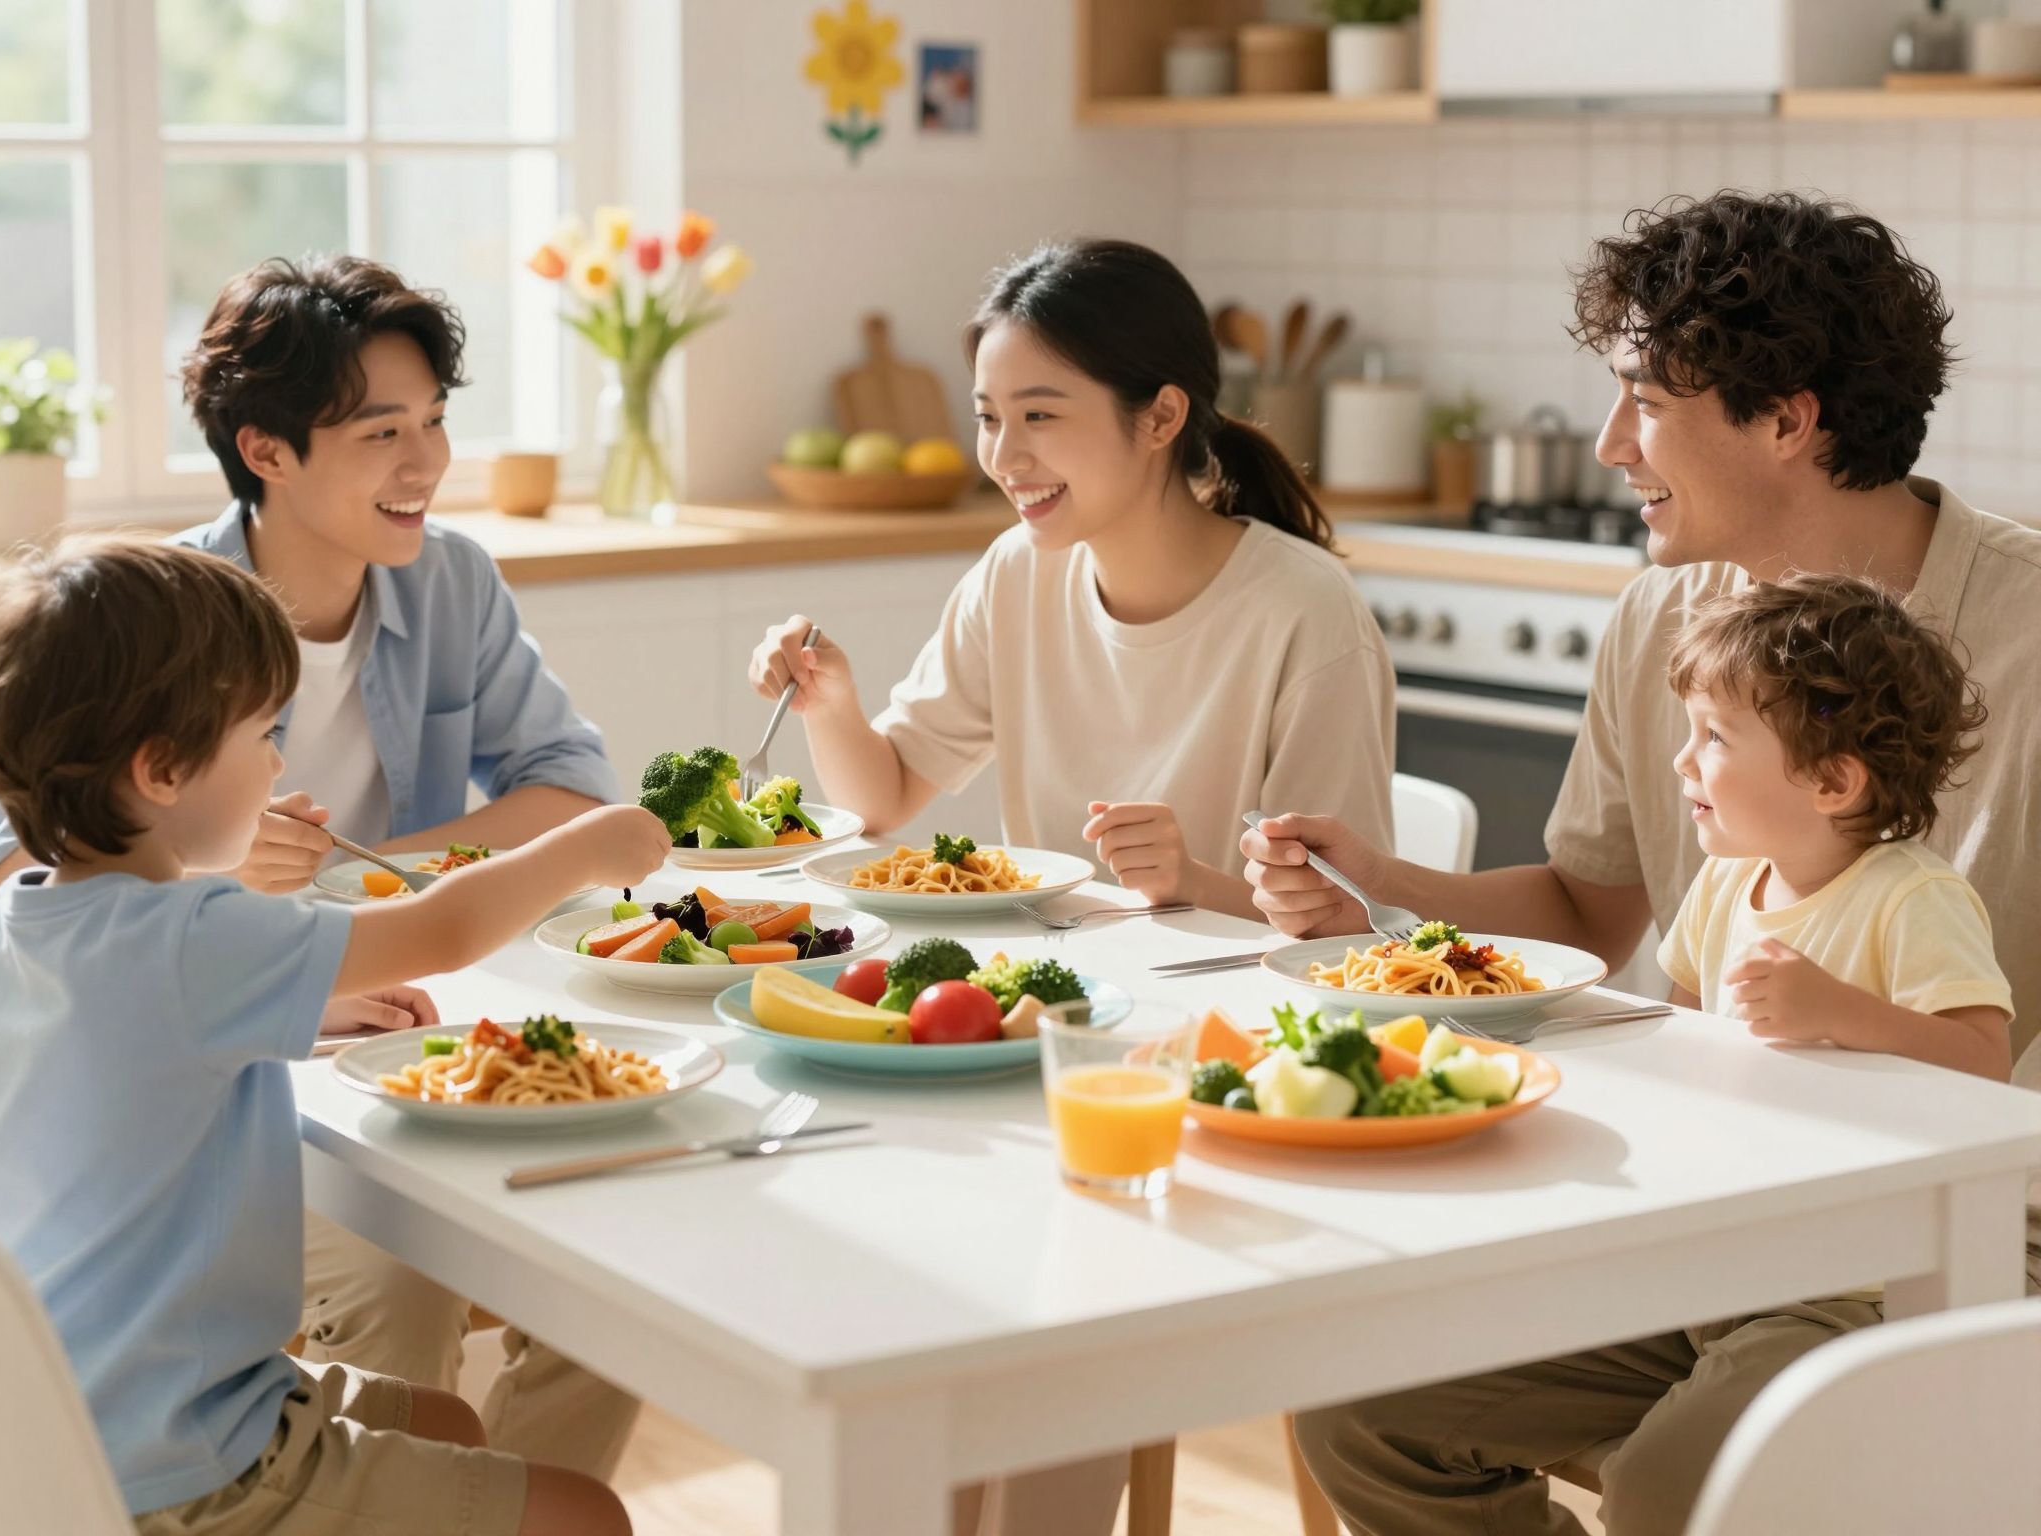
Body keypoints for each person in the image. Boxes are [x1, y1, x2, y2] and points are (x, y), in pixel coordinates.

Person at [1247, 190, 2041, 1536]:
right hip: (1719, 1199)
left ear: (1787, 419)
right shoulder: (1662, 616)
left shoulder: (2029, 628)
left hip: (1952, 1239)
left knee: (1691, 1483)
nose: (1613, 447)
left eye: (1645, 403)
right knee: (1361, 1400)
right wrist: (1388, 888)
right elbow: (1585, 908)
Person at [0, 255, 642, 1476]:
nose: (427, 464)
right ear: (270, 451)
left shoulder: (451, 581)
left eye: (436, 422)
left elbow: (565, 780)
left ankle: (478, 1499)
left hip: (371, 1016)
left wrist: (359, 879)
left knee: (618, 1244)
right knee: (400, 1291)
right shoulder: (154, 620)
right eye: (380, 431)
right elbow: (33, 862)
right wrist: (215, 893)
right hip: (205, 1082)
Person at [751, 237, 1394, 928]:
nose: (1002, 456)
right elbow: (883, 798)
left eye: (1040, 415)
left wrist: (1193, 883)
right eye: (988, 417)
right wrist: (828, 700)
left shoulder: (1304, 612)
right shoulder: (1015, 574)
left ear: (1161, 417)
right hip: (1049, 994)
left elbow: (1348, 914)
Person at [1658, 573, 2010, 1080]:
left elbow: (1986, 1062)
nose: (1682, 761)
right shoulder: (1722, 881)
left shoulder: (1913, 900)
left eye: (1713, 735)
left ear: (1831, 780)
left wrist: (1839, 1013)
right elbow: (1683, 1041)